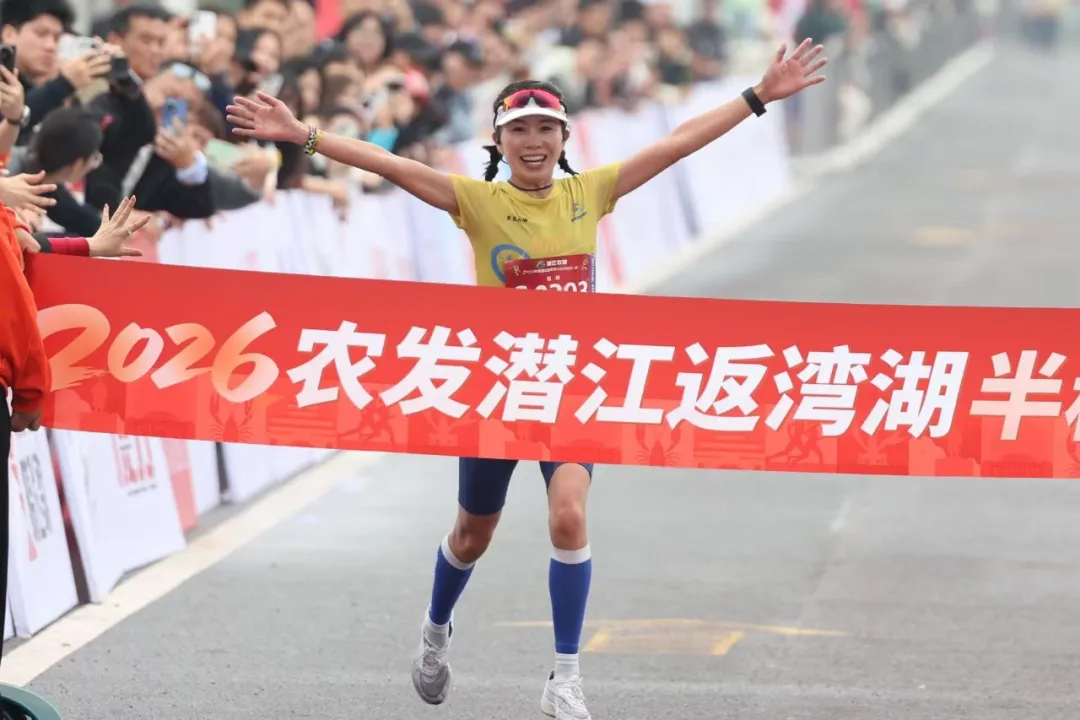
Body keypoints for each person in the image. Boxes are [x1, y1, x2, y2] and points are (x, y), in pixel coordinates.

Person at [226, 37, 827, 720]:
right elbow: (389, 163)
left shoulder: (589, 192)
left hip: (571, 388)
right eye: (519, 131)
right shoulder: (476, 201)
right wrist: (302, 135)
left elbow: (677, 143)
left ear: (564, 138)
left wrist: (758, 96)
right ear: (500, 141)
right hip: (498, 393)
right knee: (472, 535)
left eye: (546, 129)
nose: (533, 142)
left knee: (569, 516)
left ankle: (565, 678)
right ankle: (434, 633)